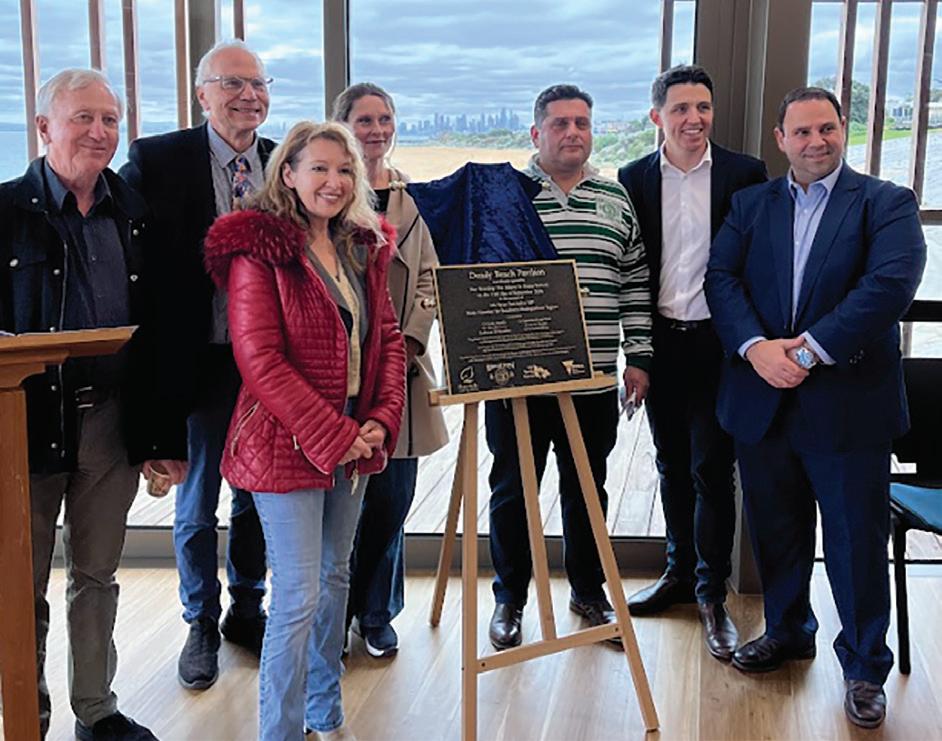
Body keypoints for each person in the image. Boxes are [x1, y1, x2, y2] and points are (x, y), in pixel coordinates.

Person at [704, 87, 926, 729]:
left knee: (856, 540)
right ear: (781, 140)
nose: (815, 141)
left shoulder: (886, 202)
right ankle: (788, 631)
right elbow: (721, 279)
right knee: (777, 529)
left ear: (842, 130)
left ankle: (864, 667)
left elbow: (890, 285)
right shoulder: (751, 205)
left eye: (826, 128)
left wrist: (806, 351)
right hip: (763, 397)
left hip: (849, 404)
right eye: (801, 132)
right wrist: (755, 348)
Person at [203, 120, 406, 740]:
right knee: (296, 596)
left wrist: (380, 419)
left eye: (344, 170)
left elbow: (387, 338)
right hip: (283, 443)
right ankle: (282, 731)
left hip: (354, 438)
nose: (333, 181)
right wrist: (338, 434)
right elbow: (260, 360)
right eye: (318, 168)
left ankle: (326, 711)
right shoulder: (258, 249)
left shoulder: (361, 245)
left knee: (335, 576)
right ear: (287, 174)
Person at [0, 68, 157, 740]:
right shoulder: (5, 212)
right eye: (83, 118)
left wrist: (158, 432)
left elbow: (158, 328)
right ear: (44, 128)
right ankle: (25, 713)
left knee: (96, 575)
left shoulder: (136, 210)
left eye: (110, 119)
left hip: (113, 423)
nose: (99, 132)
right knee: (21, 580)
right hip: (25, 425)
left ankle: (96, 710)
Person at [120, 39, 273, 689]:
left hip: (266, 364)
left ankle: (246, 608)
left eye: (258, 83)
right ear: (201, 93)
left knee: (258, 494)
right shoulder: (157, 160)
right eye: (232, 83)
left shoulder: (281, 162)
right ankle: (200, 621)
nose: (248, 95)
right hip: (198, 359)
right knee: (199, 498)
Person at [487, 84, 653, 651]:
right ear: (536, 133)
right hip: (518, 380)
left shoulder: (615, 198)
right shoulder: (507, 197)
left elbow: (634, 281)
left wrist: (639, 357)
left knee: (587, 487)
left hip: (595, 378)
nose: (573, 132)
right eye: (560, 123)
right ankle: (509, 598)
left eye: (582, 122)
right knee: (513, 490)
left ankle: (588, 591)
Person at [617, 65, 767, 660]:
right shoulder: (633, 178)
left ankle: (710, 592)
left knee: (712, 467)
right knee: (670, 464)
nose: (694, 118)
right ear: (657, 116)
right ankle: (678, 575)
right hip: (661, 343)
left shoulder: (744, 174)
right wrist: (635, 351)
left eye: (703, 106)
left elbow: (759, 261)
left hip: (719, 345)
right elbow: (630, 269)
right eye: (681, 108)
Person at [332, 82, 448, 658]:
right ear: (342, 126)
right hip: (339, 378)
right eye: (364, 120)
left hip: (401, 371)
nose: (375, 130)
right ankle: (335, 615)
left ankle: (377, 613)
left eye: (384, 119)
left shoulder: (412, 200)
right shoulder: (328, 196)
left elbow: (429, 277)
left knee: (393, 499)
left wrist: (411, 340)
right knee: (343, 506)